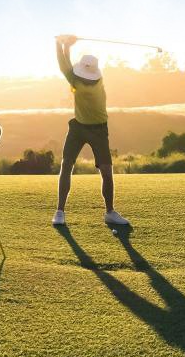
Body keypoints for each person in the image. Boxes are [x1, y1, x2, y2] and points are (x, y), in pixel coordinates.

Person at [52, 35, 129, 226]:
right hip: (81, 127)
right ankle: (63, 211)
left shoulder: (78, 82)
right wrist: (66, 46)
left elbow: (64, 65)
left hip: (96, 130)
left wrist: (61, 43)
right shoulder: (91, 79)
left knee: (89, 168)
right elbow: (67, 66)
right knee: (79, 167)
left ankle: (105, 212)